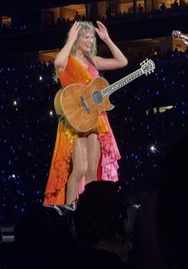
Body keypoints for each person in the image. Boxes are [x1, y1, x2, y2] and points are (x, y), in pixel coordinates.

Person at [43, 20, 128, 205]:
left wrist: (107, 39)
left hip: (94, 119)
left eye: (92, 38)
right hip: (74, 120)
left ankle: (89, 208)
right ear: (77, 39)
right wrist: (70, 39)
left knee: (92, 171)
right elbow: (57, 62)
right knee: (79, 169)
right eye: (86, 37)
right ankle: (69, 209)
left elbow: (123, 62)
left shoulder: (93, 60)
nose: (90, 41)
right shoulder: (68, 60)